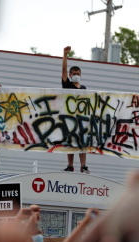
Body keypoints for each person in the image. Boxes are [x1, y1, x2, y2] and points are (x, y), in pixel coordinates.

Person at [61, 46, 90, 174]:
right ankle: (70, 165)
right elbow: (63, 70)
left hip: (81, 119)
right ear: (70, 75)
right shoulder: (67, 85)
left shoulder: (84, 88)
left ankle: (83, 165)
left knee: (82, 144)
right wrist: (65, 55)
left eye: (78, 74)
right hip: (69, 118)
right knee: (70, 143)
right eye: (74, 74)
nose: (77, 76)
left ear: (81, 75)